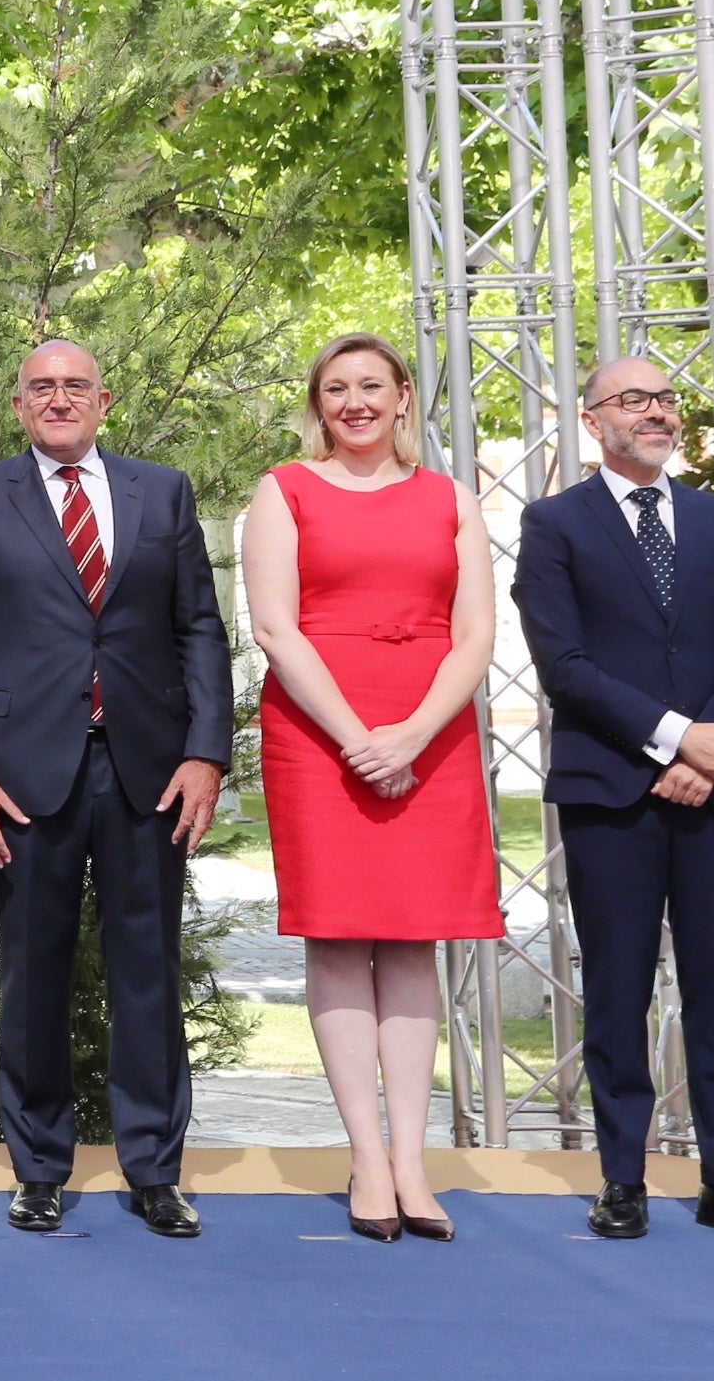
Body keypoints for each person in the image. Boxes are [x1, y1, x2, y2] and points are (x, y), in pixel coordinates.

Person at [0, 338, 234, 1240]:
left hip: (148, 767)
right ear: (18, 404)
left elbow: (197, 629)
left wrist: (205, 753)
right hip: (24, 773)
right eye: (41, 388)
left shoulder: (163, 490)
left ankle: (154, 1171)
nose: (58, 399)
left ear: (103, 400)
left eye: (74, 386)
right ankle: (38, 1168)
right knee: (32, 972)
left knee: (147, 973)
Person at [513, 355, 714, 1247]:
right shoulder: (553, 522)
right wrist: (674, 737)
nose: (656, 412)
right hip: (613, 793)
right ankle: (622, 1179)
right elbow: (564, 667)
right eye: (633, 400)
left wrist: (707, 751)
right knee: (617, 989)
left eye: (666, 398)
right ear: (592, 420)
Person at [238, 333, 502, 1243]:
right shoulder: (283, 490)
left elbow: (474, 636)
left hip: (430, 734)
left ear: (400, 398)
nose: (354, 401)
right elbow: (274, 627)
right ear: (318, 402)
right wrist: (357, 740)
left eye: (370, 386)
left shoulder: (449, 498)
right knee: (342, 939)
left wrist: (413, 735)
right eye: (335, 387)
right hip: (320, 735)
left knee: (413, 943)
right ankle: (364, 1157)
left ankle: (411, 1165)